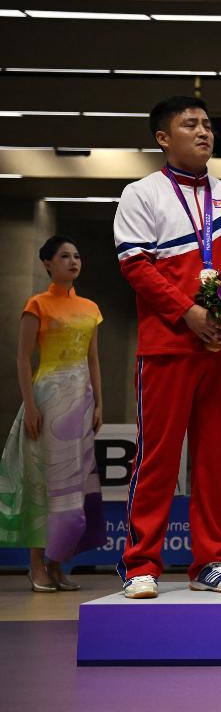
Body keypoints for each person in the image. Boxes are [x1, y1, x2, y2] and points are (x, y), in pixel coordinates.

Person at [112, 95, 221, 598]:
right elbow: (136, 265)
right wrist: (189, 313)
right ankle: (141, 563)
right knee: (158, 456)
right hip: (169, 346)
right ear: (162, 138)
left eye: (207, 125)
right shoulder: (141, 194)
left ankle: (210, 560)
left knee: (215, 457)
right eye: (190, 124)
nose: (204, 132)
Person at [0, 236, 105, 591]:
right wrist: (30, 405)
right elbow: (21, 358)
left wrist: (100, 404)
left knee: (71, 489)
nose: (73, 261)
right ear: (47, 263)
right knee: (43, 484)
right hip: (47, 400)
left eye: (77, 256)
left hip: (81, 403)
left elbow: (93, 360)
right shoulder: (37, 304)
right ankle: (36, 566)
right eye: (64, 256)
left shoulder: (90, 307)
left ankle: (59, 564)